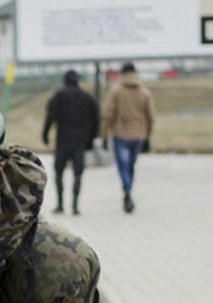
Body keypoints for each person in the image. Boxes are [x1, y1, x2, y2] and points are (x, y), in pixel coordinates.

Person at [41, 69, 99, 215]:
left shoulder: (59, 95)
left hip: (63, 141)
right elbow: (96, 120)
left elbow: (50, 116)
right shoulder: (87, 97)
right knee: (78, 173)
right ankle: (75, 205)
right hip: (79, 142)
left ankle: (60, 204)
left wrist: (45, 134)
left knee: (59, 172)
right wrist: (91, 140)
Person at [101, 61, 154, 213]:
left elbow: (108, 115)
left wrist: (104, 136)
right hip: (138, 135)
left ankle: (127, 190)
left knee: (123, 166)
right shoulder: (144, 92)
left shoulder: (116, 91)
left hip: (120, 134)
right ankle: (128, 189)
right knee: (131, 166)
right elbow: (151, 117)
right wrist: (147, 137)